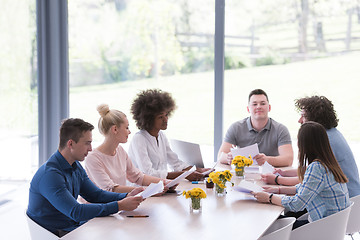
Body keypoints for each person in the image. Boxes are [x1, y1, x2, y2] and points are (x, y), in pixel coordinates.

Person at [26, 118, 144, 237]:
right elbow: (76, 212)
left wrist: (127, 196)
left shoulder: (75, 165)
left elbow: (96, 195)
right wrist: (120, 205)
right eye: (87, 143)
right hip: (55, 234)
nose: (91, 148)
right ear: (70, 144)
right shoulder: (50, 175)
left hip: (72, 226)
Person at [252, 121, 350, 229]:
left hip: (322, 229)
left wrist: (269, 198)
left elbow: (297, 204)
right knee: (282, 217)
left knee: (268, 223)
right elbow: (306, 188)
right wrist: (279, 190)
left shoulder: (317, 167)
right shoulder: (329, 163)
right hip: (334, 227)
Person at [262, 95, 360, 198]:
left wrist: (277, 179)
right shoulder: (331, 134)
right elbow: (310, 170)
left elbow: (310, 179)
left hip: (343, 202)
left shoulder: (325, 141)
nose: (299, 120)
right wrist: (285, 173)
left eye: (303, 116)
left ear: (314, 119)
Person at [85, 104, 172, 194]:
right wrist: (149, 191)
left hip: (118, 203)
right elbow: (110, 189)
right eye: (127, 127)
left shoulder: (120, 151)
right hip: (99, 206)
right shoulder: (93, 158)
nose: (129, 132)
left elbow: (138, 177)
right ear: (115, 129)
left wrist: (164, 182)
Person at [128, 89, 209, 181]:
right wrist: (183, 175)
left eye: (166, 115)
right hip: (143, 190)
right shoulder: (139, 139)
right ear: (148, 119)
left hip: (162, 187)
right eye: (160, 117)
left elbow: (176, 163)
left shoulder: (161, 135)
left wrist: (201, 170)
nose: (166, 120)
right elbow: (148, 173)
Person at [218, 89, 293, 167]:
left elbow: (288, 160)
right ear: (248, 109)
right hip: (244, 176)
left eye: (263, 103)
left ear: (269, 107)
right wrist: (228, 158)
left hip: (271, 175)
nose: (258, 107)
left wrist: (266, 160)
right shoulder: (236, 127)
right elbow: (220, 156)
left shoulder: (281, 129)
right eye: (254, 104)